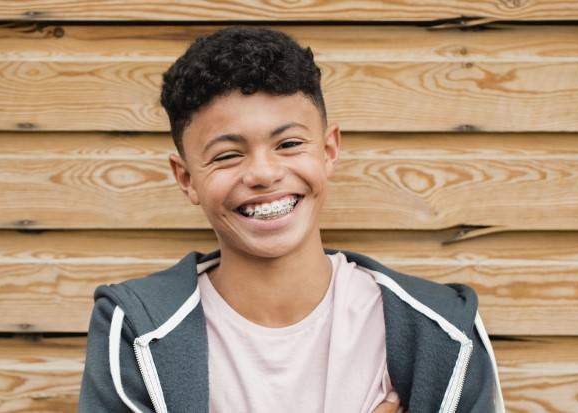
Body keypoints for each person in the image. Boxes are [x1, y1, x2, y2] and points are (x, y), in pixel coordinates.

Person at [78, 26, 504, 413]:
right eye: (228, 155)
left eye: (289, 143)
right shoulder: (137, 330)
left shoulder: (441, 328)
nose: (263, 174)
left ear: (329, 150)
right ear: (187, 178)